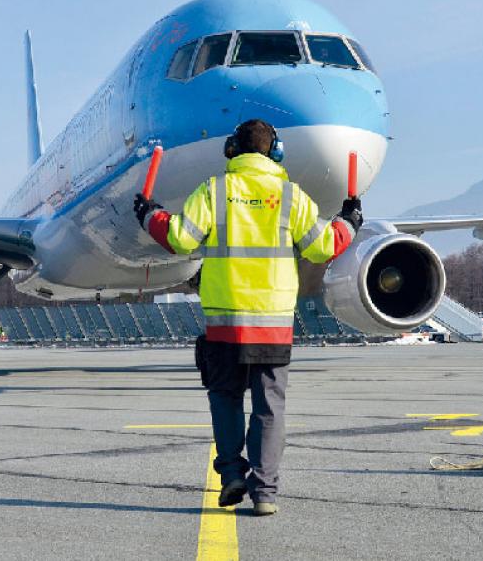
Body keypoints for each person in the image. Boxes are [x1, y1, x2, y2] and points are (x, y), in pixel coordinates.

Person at [133, 119, 361, 516]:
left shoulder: (215, 191)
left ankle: (233, 473)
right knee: (269, 407)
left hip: (225, 320)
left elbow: (179, 239)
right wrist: (349, 222)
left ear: (231, 150)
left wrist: (150, 215)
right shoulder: (291, 197)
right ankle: (266, 493)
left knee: (225, 397)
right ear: (277, 153)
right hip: (272, 323)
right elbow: (324, 248)